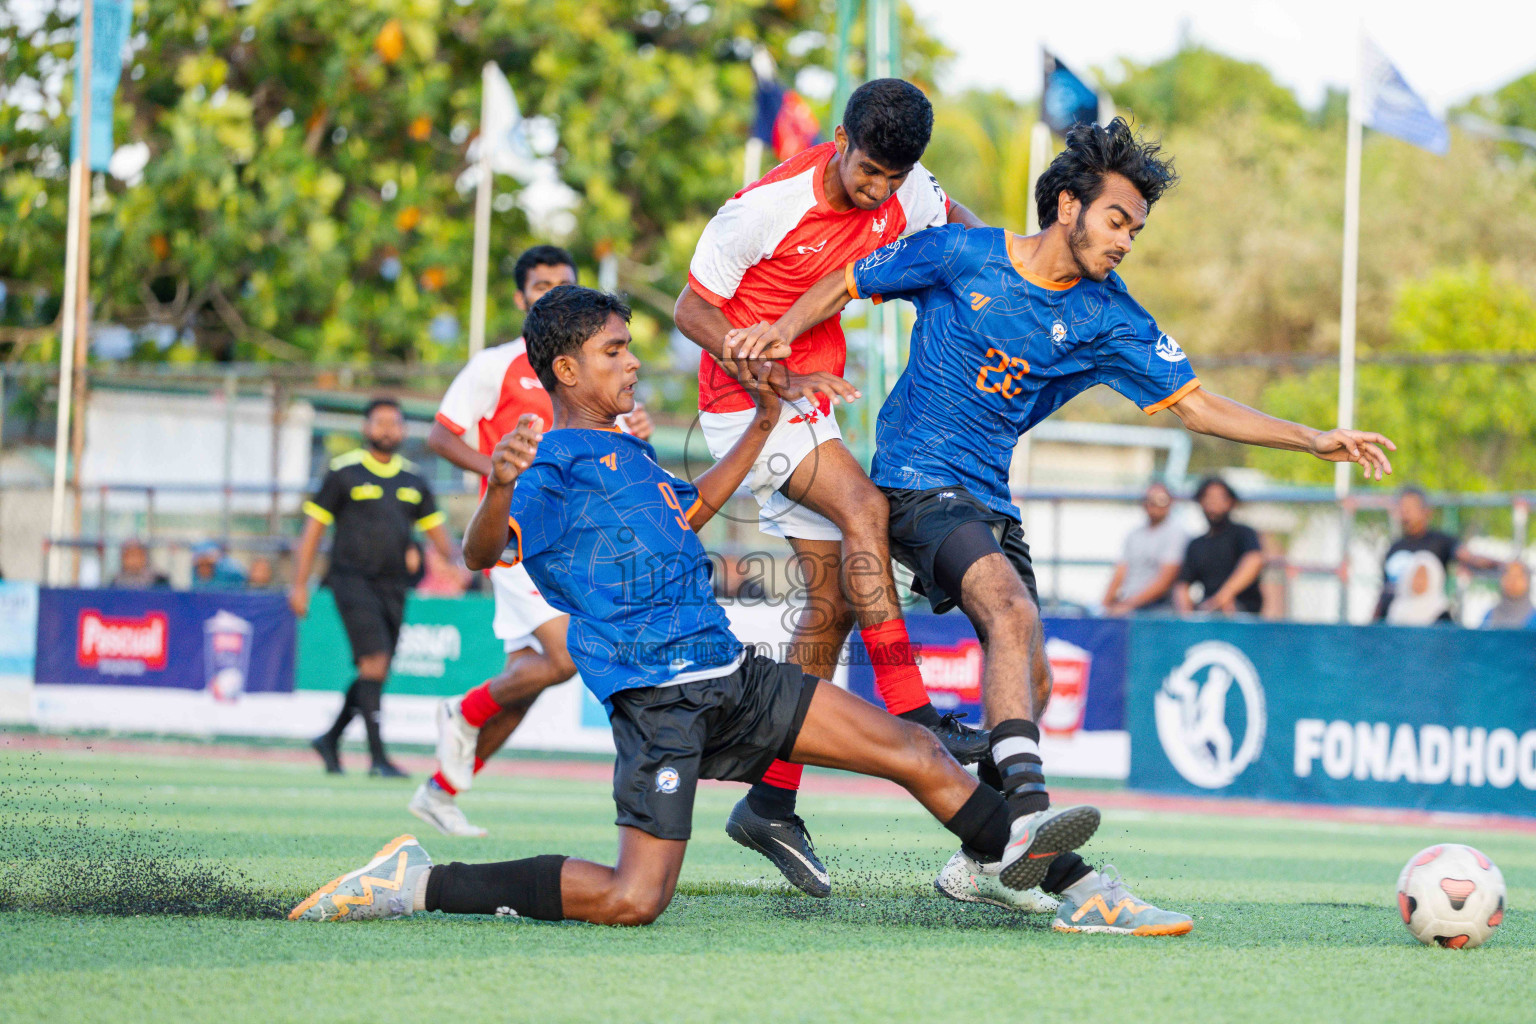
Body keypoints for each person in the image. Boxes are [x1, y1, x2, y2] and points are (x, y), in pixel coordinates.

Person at [723, 117, 1395, 931]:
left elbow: (1199, 404)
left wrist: (1312, 438)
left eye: (1137, 230)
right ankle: (1032, 822)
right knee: (1010, 611)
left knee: (1032, 673)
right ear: (1068, 205)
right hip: (914, 484)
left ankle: (979, 864)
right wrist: (781, 337)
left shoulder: (1111, 318)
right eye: (1117, 220)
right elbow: (847, 282)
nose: (1126, 241)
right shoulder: (959, 253)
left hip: (989, 504)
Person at [289, 284, 1116, 931]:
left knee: (914, 747)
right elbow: (480, 553)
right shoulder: (548, 465)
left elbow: (690, 507)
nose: (631, 363)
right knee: (632, 900)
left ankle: (1037, 871)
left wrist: (762, 422)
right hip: (661, 707)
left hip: (732, 675)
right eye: (615, 351)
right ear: (568, 371)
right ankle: (423, 881)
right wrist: (499, 481)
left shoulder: (626, 447)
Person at [674, 78, 990, 891]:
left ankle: (770, 804)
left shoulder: (909, 187)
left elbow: (969, 235)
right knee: (866, 508)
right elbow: (690, 311)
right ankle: (916, 717)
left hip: (813, 402)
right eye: (869, 170)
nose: (879, 189)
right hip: (743, 407)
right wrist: (763, 362)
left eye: (895, 176)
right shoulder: (764, 207)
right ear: (842, 136)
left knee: (834, 604)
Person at [412, 245, 654, 839]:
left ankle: (441, 790)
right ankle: (462, 711)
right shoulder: (495, 364)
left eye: (563, 283)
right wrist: (501, 471)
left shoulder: (591, 365)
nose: (551, 292)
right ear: (521, 296)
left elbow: (607, 434)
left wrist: (636, 433)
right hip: (522, 534)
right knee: (567, 658)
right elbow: (441, 437)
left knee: (532, 674)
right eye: (541, 284)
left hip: (575, 540)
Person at [290, 398, 456, 779]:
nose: (387, 429)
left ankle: (330, 739)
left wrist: (462, 563)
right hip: (350, 579)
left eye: (394, 423)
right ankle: (378, 759)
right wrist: (299, 584)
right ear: (366, 428)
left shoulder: (414, 481)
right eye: (379, 422)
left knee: (375, 670)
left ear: (402, 430)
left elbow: (443, 541)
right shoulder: (343, 472)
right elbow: (313, 531)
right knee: (375, 662)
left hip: (394, 586)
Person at [1374, 486, 1501, 621]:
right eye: (1402, 507)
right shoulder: (1394, 547)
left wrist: (1500, 564)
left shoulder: (1440, 541)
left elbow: (1468, 557)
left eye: (1411, 507)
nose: (1405, 512)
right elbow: (1384, 590)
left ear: (1426, 511)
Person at [1172, 477, 1264, 616]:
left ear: (1230, 502)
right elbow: (1182, 584)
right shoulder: (1196, 544)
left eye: (1219, 497)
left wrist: (1223, 597)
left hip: (1243, 610)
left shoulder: (1243, 533)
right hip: (1207, 611)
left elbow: (1254, 560)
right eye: (1207, 497)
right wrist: (1186, 614)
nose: (1212, 503)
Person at [1103, 482, 1185, 614]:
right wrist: (1104, 605)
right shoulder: (1134, 534)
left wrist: (1127, 605)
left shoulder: (1176, 533)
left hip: (1157, 606)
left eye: (1161, 500)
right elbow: (1120, 572)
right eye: (1149, 500)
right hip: (1128, 602)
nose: (1154, 504)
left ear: (1171, 502)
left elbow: (1166, 580)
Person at [1386, 551, 1453, 626]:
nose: (1419, 582)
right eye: (1416, 576)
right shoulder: (1396, 608)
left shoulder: (1442, 613)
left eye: (1423, 577)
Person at [1482, 560, 1536, 629]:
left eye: (1518, 576)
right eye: (1508, 575)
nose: (1513, 581)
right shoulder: (1489, 617)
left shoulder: (1534, 619)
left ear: (1527, 581)